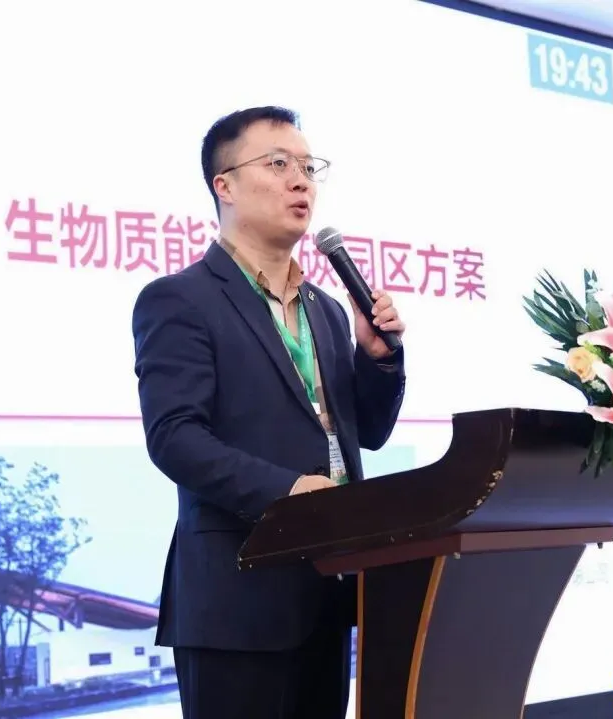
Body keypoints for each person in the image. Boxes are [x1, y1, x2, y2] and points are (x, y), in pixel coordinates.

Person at [131, 106, 407, 719]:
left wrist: (379, 360)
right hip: (237, 600)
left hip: (328, 589)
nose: (301, 180)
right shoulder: (179, 300)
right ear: (224, 186)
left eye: (308, 167)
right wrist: (288, 493)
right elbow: (174, 437)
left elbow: (369, 433)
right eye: (278, 164)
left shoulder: (328, 310)